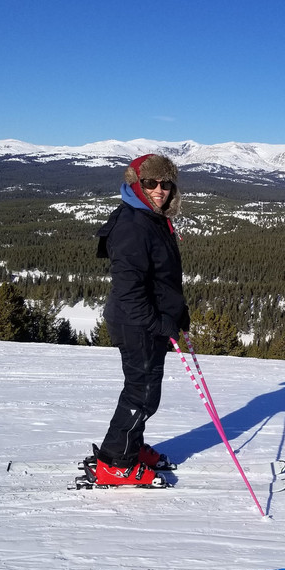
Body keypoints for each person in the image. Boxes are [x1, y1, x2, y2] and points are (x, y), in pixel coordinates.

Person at [87, 153, 190, 487]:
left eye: (165, 183)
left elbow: (162, 280)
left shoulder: (152, 218)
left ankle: (130, 446)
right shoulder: (133, 224)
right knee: (141, 394)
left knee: (144, 390)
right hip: (138, 323)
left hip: (148, 320)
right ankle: (116, 461)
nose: (159, 189)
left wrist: (177, 313)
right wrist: (158, 323)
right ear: (136, 183)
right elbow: (130, 290)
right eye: (150, 183)